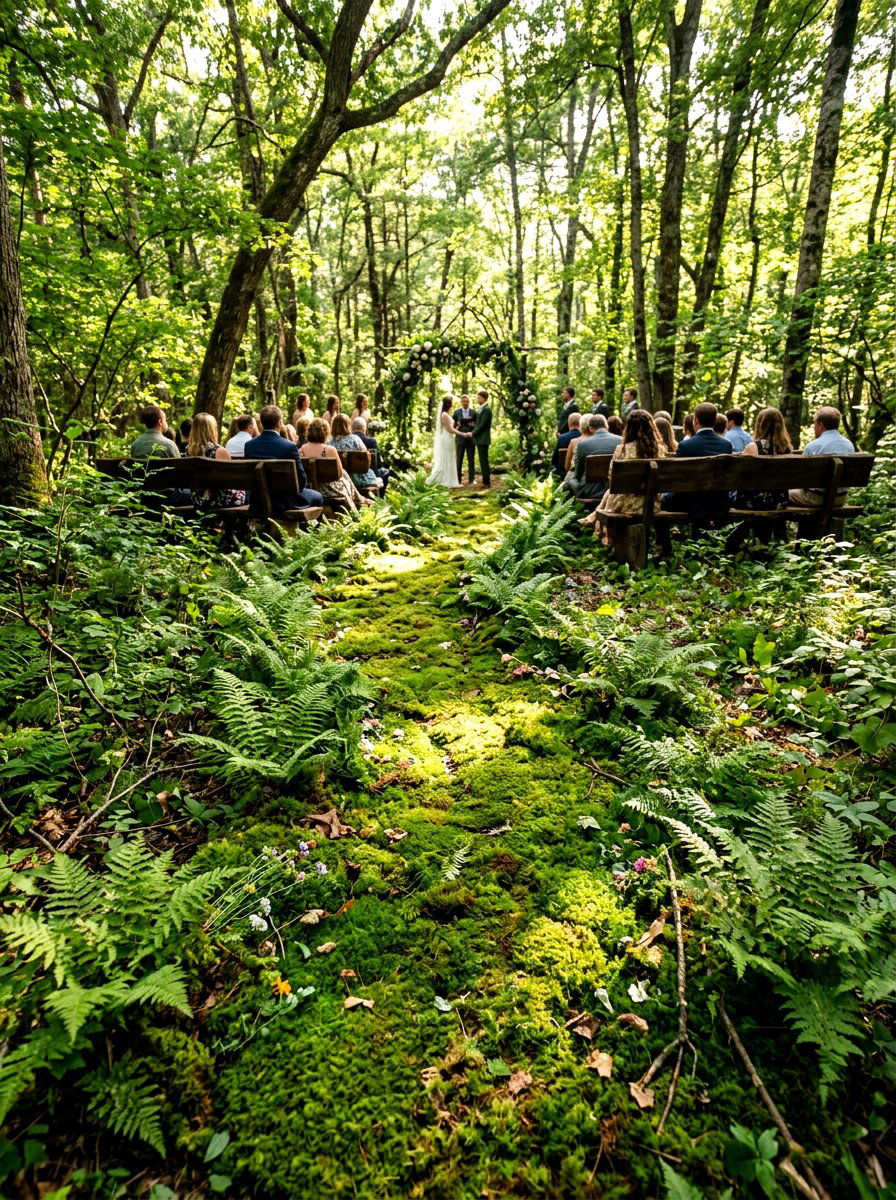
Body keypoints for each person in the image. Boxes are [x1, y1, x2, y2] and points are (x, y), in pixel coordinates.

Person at [582, 410, 666, 537]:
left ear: (629, 428)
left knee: (609, 494)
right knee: (609, 494)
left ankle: (597, 522)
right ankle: (595, 517)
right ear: (651, 427)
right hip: (652, 505)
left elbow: (612, 478)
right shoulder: (660, 450)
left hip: (627, 505)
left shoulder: (622, 449)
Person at [725, 406, 793, 551]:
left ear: (760, 424)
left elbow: (740, 478)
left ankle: (734, 546)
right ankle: (765, 545)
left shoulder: (753, 447)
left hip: (753, 502)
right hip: (779, 501)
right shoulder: (787, 449)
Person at [662, 401, 733, 530]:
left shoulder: (685, 445)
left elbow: (676, 477)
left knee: (663, 499)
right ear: (714, 420)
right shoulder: (726, 444)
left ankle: (665, 545)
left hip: (689, 503)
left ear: (695, 420)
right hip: (718, 503)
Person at [243, 404, 323, 514]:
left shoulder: (249, 445)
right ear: (280, 423)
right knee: (317, 496)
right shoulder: (289, 446)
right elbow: (301, 481)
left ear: (261, 423)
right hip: (285, 501)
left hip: (258, 500)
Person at [789, 406, 855, 508]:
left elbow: (801, 478)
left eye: (814, 424)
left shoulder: (812, 446)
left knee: (783, 495)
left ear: (820, 425)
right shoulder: (849, 445)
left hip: (816, 498)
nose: (814, 427)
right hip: (839, 499)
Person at [299, 417, 369, 511]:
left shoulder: (301, 450)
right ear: (325, 433)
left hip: (309, 488)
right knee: (344, 474)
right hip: (328, 490)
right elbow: (339, 474)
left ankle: (359, 498)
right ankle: (358, 502)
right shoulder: (329, 450)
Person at [186, 412, 246, 510]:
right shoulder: (220, 451)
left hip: (198, 500)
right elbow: (231, 482)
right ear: (212, 429)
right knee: (246, 493)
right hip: (218, 500)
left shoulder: (188, 450)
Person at [565, 413, 622, 501]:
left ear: (591, 428)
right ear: (606, 426)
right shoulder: (621, 440)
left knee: (569, 483)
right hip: (614, 490)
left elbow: (578, 475)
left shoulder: (582, 445)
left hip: (590, 493)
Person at [330, 413, 384, 495]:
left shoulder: (329, 443)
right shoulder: (355, 439)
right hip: (356, 480)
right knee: (380, 479)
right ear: (348, 425)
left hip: (338, 480)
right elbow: (366, 459)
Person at [428, 396, 460, 488]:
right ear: (449, 404)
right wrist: (462, 434)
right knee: (446, 457)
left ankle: (450, 478)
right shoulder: (444, 414)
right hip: (446, 438)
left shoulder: (446, 414)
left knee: (450, 457)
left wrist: (457, 427)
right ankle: (445, 479)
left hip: (449, 437)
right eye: (451, 403)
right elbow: (449, 429)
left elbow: (451, 428)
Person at [351, 416, 390, 493]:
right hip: (368, 475)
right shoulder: (371, 441)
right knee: (385, 471)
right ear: (364, 428)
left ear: (352, 428)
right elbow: (377, 462)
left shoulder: (348, 440)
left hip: (351, 476)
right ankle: (380, 498)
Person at [453, 393, 478, 483]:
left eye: (467, 401)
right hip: (460, 438)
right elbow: (453, 425)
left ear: (469, 402)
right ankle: (458, 479)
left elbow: (478, 425)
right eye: (463, 401)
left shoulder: (474, 412)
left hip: (471, 439)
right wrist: (457, 425)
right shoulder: (456, 412)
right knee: (459, 460)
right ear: (461, 402)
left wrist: (473, 425)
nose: (465, 403)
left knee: (471, 459)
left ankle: (471, 479)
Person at [471, 389, 492, 487]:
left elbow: (482, 425)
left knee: (484, 461)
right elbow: (479, 423)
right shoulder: (481, 409)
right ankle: (485, 481)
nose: (477, 399)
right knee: (482, 460)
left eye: (478, 397)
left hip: (483, 439)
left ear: (484, 398)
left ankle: (486, 482)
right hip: (480, 439)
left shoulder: (487, 410)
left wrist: (472, 433)